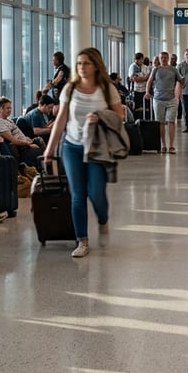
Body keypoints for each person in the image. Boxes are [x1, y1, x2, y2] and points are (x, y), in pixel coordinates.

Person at [43, 47, 126, 258]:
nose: (81, 67)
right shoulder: (70, 89)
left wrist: (100, 115)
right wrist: (50, 149)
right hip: (72, 146)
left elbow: (120, 116)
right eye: (79, 63)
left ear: (96, 65)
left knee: (97, 193)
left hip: (97, 147)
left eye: (86, 63)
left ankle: (103, 219)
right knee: (77, 195)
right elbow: (61, 119)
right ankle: (82, 240)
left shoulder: (107, 88)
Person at [0, 96, 44, 168]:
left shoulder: (7, 119)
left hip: (24, 142)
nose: (10, 110)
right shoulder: (0, 122)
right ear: (1, 109)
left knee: (39, 140)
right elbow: (12, 140)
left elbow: (16, 133)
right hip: (21, 147)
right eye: (8, 108)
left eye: (10, 108)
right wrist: (27, 144)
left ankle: (47, 167)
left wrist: (25, 138)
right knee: (38, 147)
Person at [146, 52, 180, 154]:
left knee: (171, 121)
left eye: (165, 57)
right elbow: (149, 81)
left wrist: (179, 92)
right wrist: (147, 92)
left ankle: (171, 146)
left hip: (171, 99)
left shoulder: (173, 70)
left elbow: (180, 81)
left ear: (168, 58)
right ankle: (163, 145)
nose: (164, 59)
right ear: (159, 59)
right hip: (158, 99)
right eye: (162, 58)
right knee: (160, 122)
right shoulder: (155, 70)